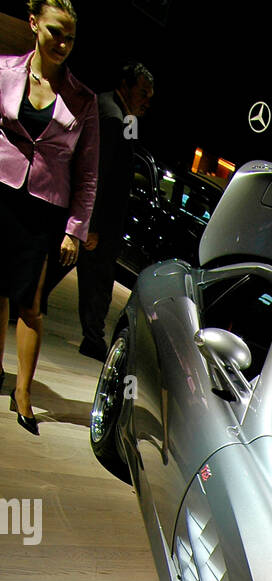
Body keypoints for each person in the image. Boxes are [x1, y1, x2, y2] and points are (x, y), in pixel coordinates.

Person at [0, 0, 98, 434]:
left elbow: (89, 172)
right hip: (0, 190)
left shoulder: (84, 100)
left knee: (29, 302)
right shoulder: (4, 70)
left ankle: (23, 394)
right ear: (34, 22)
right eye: (56, 31)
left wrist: (75, 230)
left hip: (43, 206)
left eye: (70, 37)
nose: (62, 43)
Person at [76, 61, 154, 361]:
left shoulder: (111, 109)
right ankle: (92, 338)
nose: (147, 101)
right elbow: (99, 171)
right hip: (100, 221)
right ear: (126, 86)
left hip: (97, 218)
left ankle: (24, 307)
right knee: (98, 280)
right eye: (143, 92)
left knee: (83, 272)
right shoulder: (113, 117)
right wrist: (92, 224)